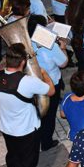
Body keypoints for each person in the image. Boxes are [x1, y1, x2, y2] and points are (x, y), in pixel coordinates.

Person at [0, 43, 55, 167]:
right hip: (26, 129)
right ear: (23, 62)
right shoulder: (27, 81)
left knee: (12, 156)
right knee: (28, 161)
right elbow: (51, 91)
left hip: (6, 126)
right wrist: (45, 74)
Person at [27, 15, 68, 151]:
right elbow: (63, 63)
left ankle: (35, 138)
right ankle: (46, 142)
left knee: (37, 111)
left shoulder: (25, 41)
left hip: (32, 81)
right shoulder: (50, 45)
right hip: (50, 82)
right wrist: (62, 47)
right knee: (49, 114)